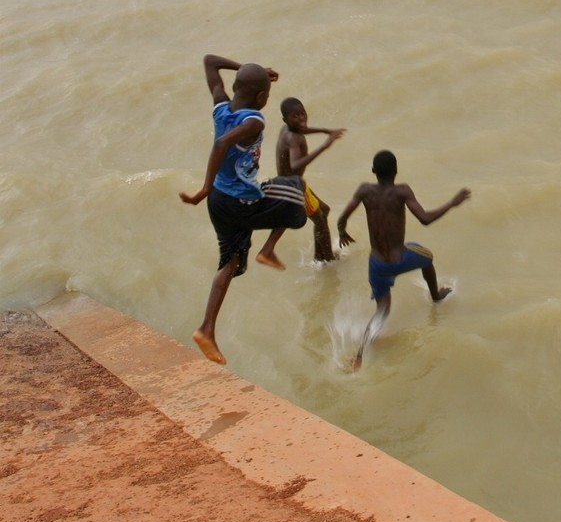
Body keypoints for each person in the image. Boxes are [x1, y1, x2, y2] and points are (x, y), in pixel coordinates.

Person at [179, 54, 308, 365]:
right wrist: (204, 186)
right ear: (262, 97)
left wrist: (252, 72)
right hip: (240, 201)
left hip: (219, 203)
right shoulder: (254, 121)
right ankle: (268, 249)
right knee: (297, 194)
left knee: (231, 262)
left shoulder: (220, 105)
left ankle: (206, 329)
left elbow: (210, 62)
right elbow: (222, 144)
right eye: (266, 95)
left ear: (234, 87)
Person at [336, 150, 471, 370]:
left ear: (373, 171)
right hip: (400, 258)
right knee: (427, 258)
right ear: (396, 171)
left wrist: (342, 233)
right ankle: (436, 296)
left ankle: (359, 355)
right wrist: (452, 203)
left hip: (377, 264)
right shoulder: (402, 192)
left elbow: (342, 218)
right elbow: (425, 219)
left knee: (382, 311)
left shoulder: (364, 191)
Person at [262, 97, 345, 263]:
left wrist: (324, 131)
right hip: (293, 186)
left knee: (324, 211)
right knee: (320, 218)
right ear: (286, 119)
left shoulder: (287, 130)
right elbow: (294, 164)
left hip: (290, 183)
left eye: (302, 114)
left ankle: (319, 257)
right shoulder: (293, 138)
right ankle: (327, 260)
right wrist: (324, 146)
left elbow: (302, 129)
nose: (301, 119)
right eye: (295, 116)